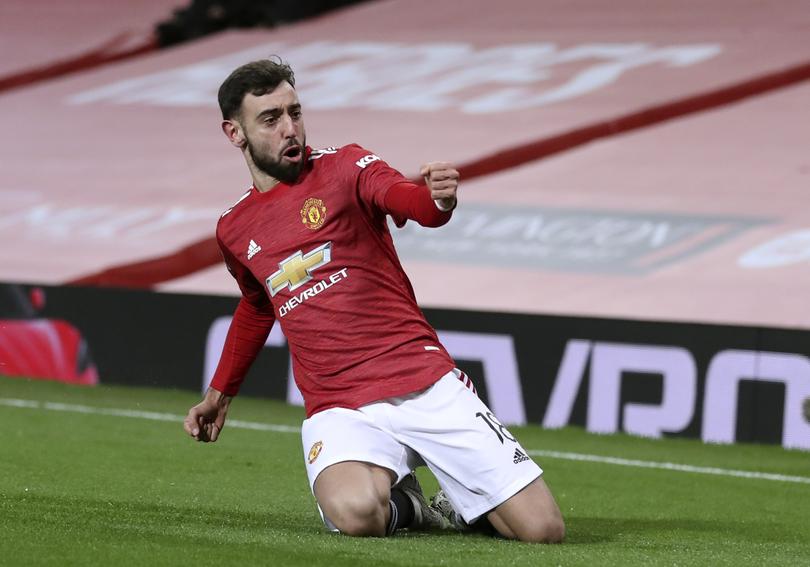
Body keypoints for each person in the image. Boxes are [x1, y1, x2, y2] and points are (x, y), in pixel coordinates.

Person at [183, 57, 565, 543]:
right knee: (357, 514)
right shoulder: (234, 228)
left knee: (543, 531)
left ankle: (460, 499)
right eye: (271, 118)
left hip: (420, 381)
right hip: (338, 404)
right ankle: (411, 505)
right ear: (234, 134)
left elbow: (411, 201)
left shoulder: (346, 167)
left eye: (295, 112)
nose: (289, 128)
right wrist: (219, 395)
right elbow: (259, 304)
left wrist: (439, 201)